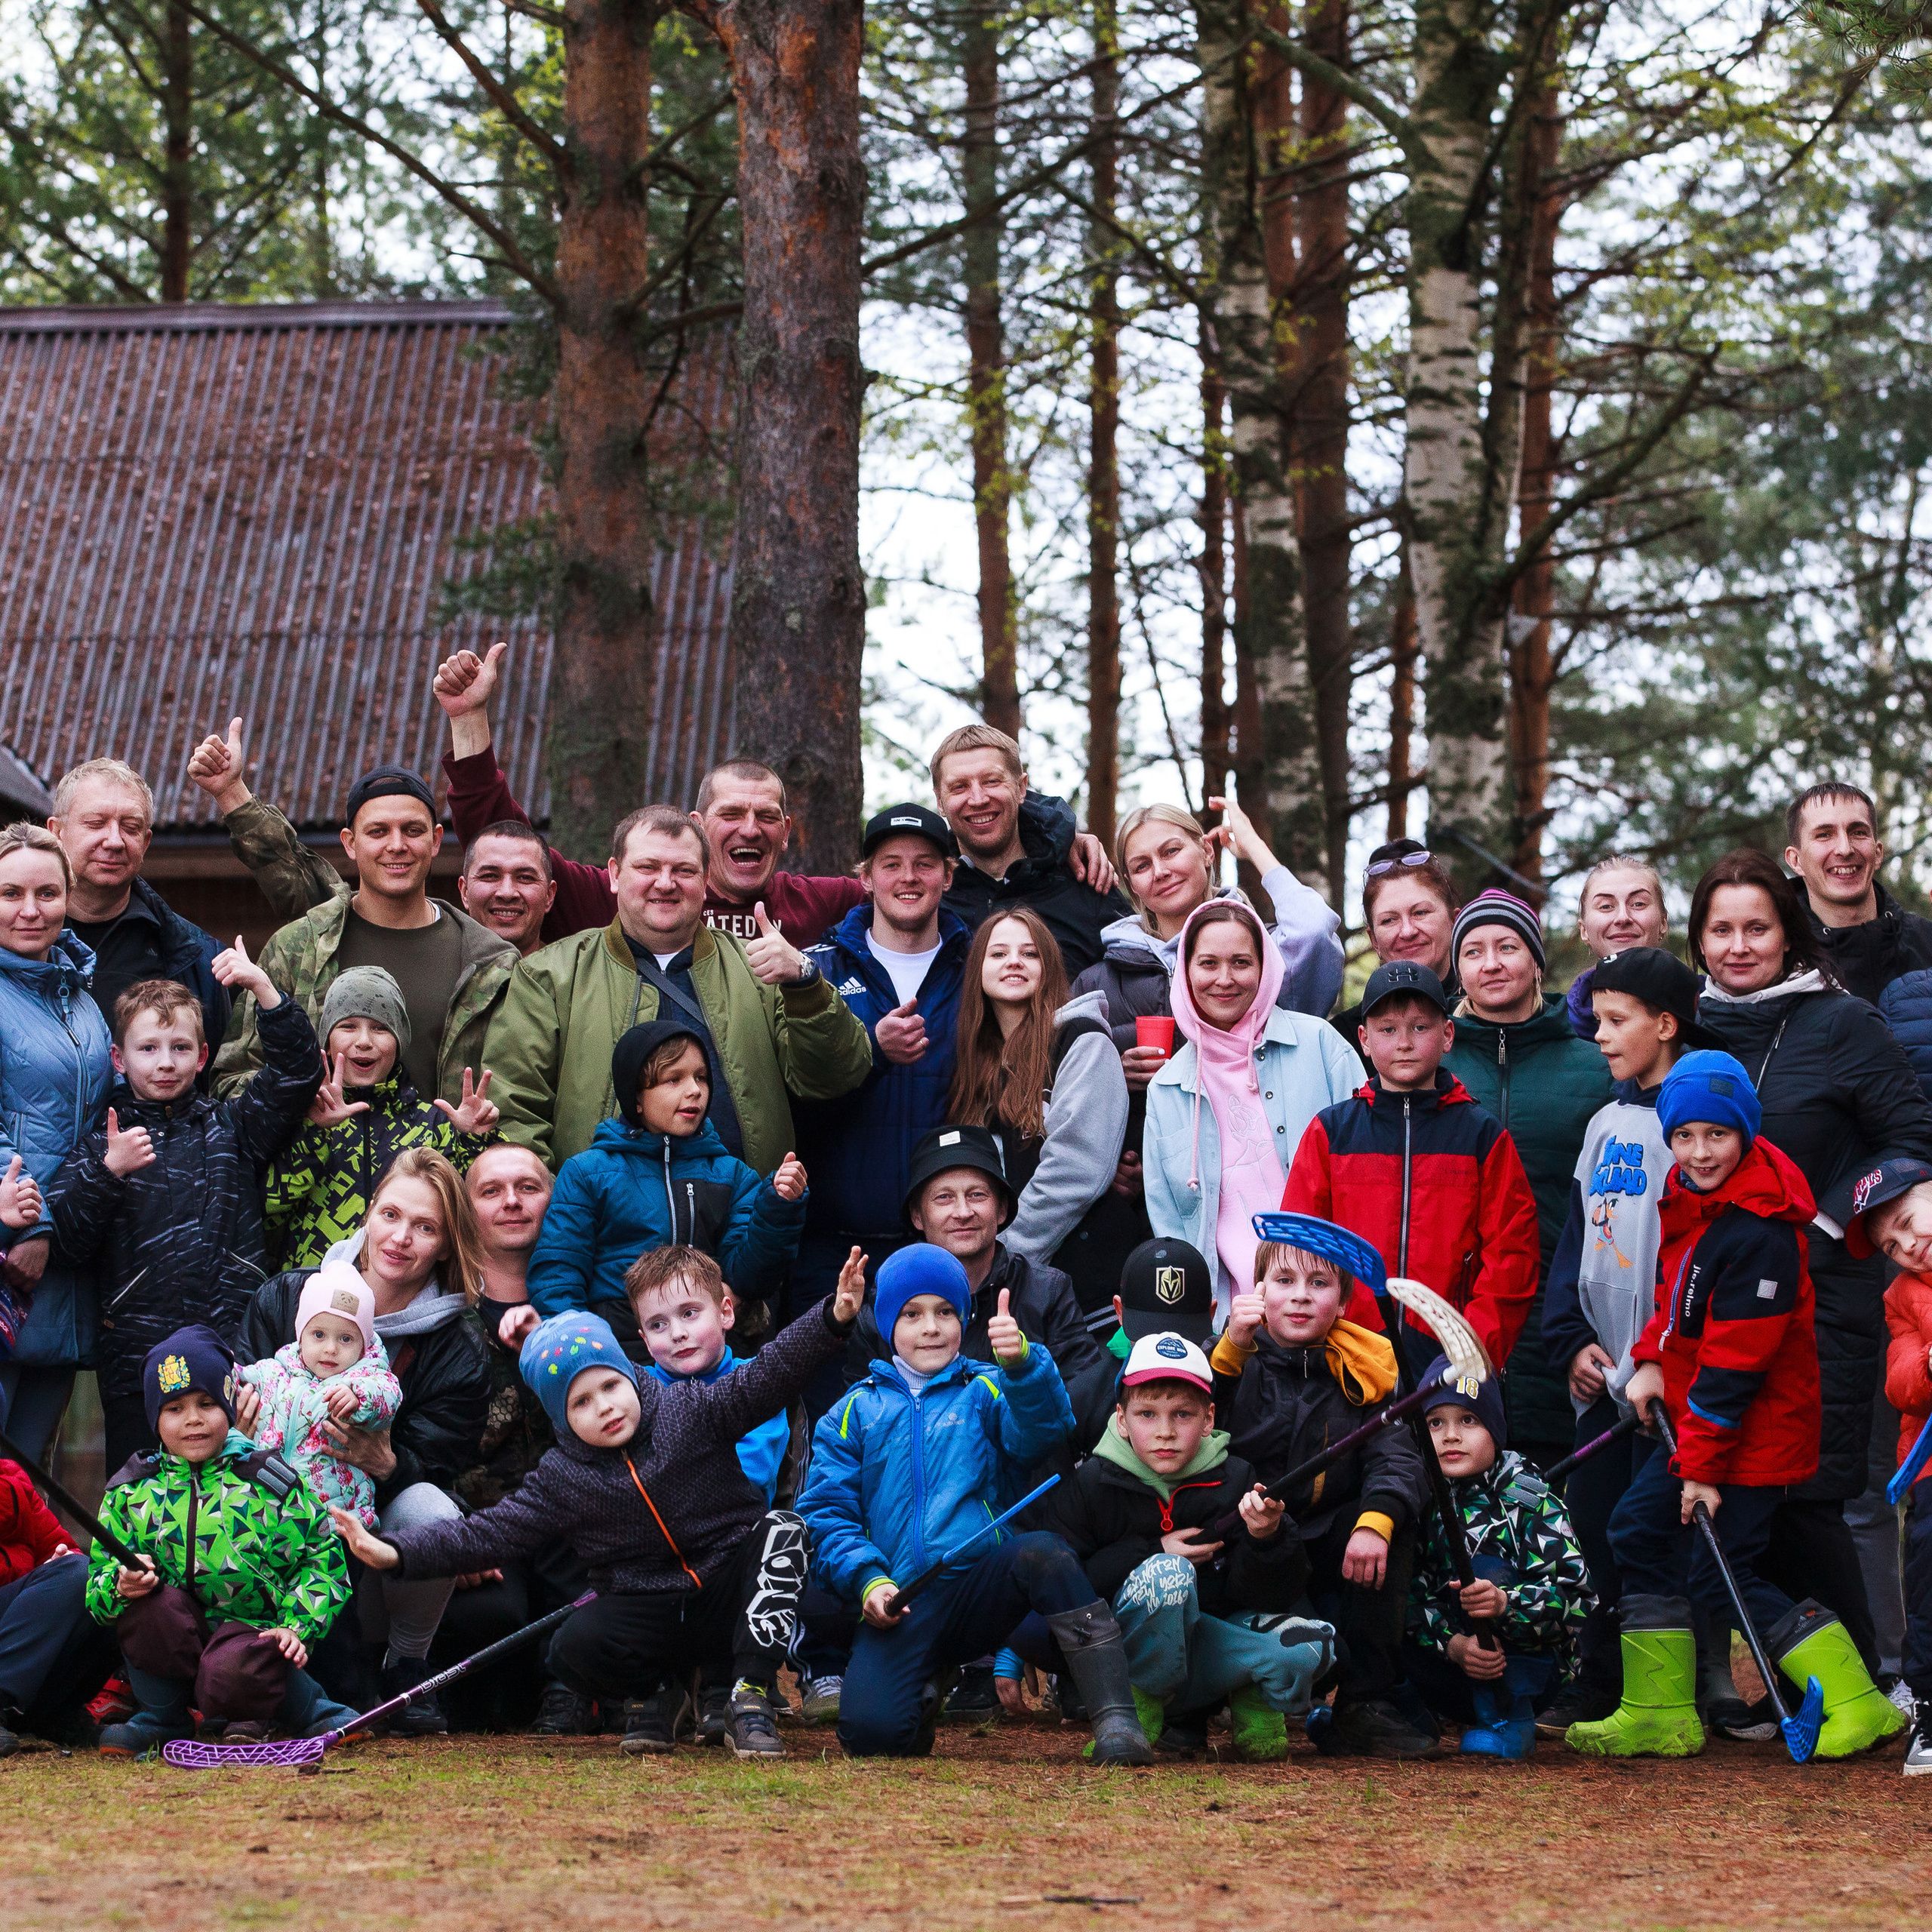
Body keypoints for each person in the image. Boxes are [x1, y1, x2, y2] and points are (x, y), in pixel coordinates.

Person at [330, 1268, 869, 1761]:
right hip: (649, 1610)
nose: (606, 1407)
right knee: (571, 1647)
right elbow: (484, 1535)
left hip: (726, 1595)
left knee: (784, 1529)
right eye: (581, 1402)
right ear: (561, 1420)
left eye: (610, 1385)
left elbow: (770, 1374)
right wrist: (395, 1552)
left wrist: (833, 1317)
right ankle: (655, 1693)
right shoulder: (562, 1478)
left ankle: (748, 1694)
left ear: (630, 1376)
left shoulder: (693, 1410)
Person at [1568, 1052, 1906, 1761]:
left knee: (1722, 1572)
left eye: (1716, 1136)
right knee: (1636, 1530)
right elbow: (1678, 1301)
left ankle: (1858, 1701)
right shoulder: (1690, 1195)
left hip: (1749, 1437)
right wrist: (1655, 1359)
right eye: (1684, 1135)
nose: (1699, 1151)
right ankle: (1658, 1712)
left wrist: (1701, 1471)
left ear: (1745, 1134)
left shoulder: (1760, 1230)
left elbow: (1735, 1366)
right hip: (1698, 1426)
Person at [1688, 848, 1932, 1684]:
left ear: (1789, 934)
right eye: (1720, 929)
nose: (1738, 945)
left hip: (1830, 1291)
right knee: (1747, 1489)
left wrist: (1827, 1220)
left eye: (1757, 926)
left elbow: (1910, 1137)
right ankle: (1795, 1684)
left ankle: (1875, 1675)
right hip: (1719, 1303)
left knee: (1823, 1492)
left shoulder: (1841, 1022)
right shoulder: (1691, 1028)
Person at [798, 1244, 1152, 1764]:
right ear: (887, 1323)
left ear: (965, 1319)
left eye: (945, 1312)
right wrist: (869, 1581)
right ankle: (923, 1690)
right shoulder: (851, 1412)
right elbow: (827, 1515)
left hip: (983, 1586)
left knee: (1043, 1553)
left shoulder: (988, 1387)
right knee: (871, 1738)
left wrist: (1025, 1367)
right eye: (912, 1315)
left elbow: (1043, 1431)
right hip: (902, 1600)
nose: (932, 1328)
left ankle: (1117, 1718)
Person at [238, 1148, 492, 1734]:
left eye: (425, 1228)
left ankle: (406, 1666)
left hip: (374, 1531)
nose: (401, 1238)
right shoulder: (287, 1297)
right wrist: (241, 1429)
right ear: (368, 1214)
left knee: (434, 1510)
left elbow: (439, 1466)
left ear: (447, 1244)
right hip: (274, 1508)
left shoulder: (457, 1347)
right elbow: (235, 1388)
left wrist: (388, 1463)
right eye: (391, 1215)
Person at [45, 950, 322, 1473]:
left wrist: (263, 989)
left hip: (233, 1354)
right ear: (119, 1059)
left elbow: (297, 1071)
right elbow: (64, 1241)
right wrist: (109, 1171)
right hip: (139, 1367)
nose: (165, 1062)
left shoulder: (232, 1128)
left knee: (240, 1493)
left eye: (180, 1048)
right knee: (138, 1501)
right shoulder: (103, 1143)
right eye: (148, 1048)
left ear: (203, 1057)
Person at [484, 804, 875, 1171]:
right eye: (648, 867)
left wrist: (806, 983)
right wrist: (560, 1214)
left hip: (744, 1228)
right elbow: (514, 1109)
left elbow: (834, 1077)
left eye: (684, 870)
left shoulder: (761, 971)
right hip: (601, 1234)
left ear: (705, 882)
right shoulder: (549, 977)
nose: (665, 883)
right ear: (616, 875)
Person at [1538, 946, 1715, 1731]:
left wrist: (1659, 1358)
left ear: (1666, 1024)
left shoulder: (1695, 1128)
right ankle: (1598, 1681)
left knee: (1649, 1532)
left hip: (1666, 1376)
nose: (1600, 1036)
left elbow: (1696, 1258)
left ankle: (1662, 1694)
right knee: (1594, 1529)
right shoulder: (1604, 1120)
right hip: (1603, 1377)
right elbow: (1577, 1240)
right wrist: (1571, 1339)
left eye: (1617, 1021)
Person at [1011, 1331, 1333, 1761]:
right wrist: (1151, 1551)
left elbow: (1270, 1596)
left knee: (1314, 1642)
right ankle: (1135, 1710)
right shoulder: (1093, 1482)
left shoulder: (1236, 1479)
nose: (1165, 1432)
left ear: (1209, 1418)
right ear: (1122, 1420)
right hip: (1121, 1659)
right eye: (1147, 1415)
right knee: (1169, 1575)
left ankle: (1253, 1699)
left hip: (1208, 1655)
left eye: (1182, 1415)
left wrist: (1267, 1538)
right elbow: (1067, 1584)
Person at [429, 642, 869, 947]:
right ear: (697, 828)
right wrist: (469, 719)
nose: (750, 829)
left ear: (787, 831)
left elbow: (913, 890)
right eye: (732, 813)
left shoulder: (824, 905)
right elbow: (502, 845)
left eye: (767, 816)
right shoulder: (630, 894)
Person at [1210, 1215, 1434, 1758]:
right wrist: (1231, 1353)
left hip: (1329, 1539)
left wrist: (1376, 1522)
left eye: (1319, 1284)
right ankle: (1207, 1699)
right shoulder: (1232, 1355)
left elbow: (1397, 1457)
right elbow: (1201, 1435)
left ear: (1342, 1298)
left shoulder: (1368, 1364)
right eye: (1284, 1281)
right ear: (1257, 1290)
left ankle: (1362, 1706)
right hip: (1252, 1541)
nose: (1300, 1298)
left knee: (1390, 1524)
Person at [87, 1325, 358, 1758]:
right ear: (153, 1418)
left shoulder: (270, 1484)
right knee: (148, 1612)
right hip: (172, 1643)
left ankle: (309, 1707)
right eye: (174, 1408)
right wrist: (118, 1586)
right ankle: (162, 1716)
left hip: (249, 1644)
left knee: (232, 1666)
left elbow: (321, 1561)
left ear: (229, 1405)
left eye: (207, 1403)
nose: (192, 1419)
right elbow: (96, 1585)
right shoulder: (129, 1493)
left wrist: (296, 1626)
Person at [1282, 959, 1540, 1376]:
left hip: (1451, 1358)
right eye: (1388, 1029)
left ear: (1447, 1035)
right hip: (1349, 1352)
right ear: (1364, 1039)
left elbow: (1512, 1253)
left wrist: (1473, 1349)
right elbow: (1302, 1249)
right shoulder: (1332, 1132)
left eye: (1420, 1027)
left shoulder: (1481, 1135)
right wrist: (1321, 1342)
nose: (1404, 1042)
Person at [210, 760, 517, 1108]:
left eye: (413, 831)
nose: (397, 845)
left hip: (450, 1160)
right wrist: (302, 1102)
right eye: (378, 832)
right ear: (350, 843)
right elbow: (231, 1081)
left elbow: (519, 1090)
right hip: (320, 1160)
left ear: (435, 841)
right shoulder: (298, 948)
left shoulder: (490, 963)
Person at [1442, 889, 1615, 1472]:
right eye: (1474, 951)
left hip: (1564, 1327)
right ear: (1457, 967)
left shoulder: (1594, 1065)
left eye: (1508, 947)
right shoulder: (1432, 1065)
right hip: (1455, 1323)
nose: (1491, 963)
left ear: (1536, 962)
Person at [789, 805, 972, 1348]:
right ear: (865, 878)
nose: (909, 878)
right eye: (891, 864)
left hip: (944, 1247)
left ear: (948, 874)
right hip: (830, 1246)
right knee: (833, 1421)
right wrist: (870, 1052)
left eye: (925, 864)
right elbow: (791, 1096)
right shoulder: (816, 971)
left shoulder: (980, 965)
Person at [525, 1021, 808, 1351]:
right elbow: (559, 1273)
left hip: (707, 1352)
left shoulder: (734, 1176)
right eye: (674, 1079)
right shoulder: (587, 1173)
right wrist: (581, 1350)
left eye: (701, 1077)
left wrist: (778, 1208)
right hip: (617, 1351)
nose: (694, 1091)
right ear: (637, 1099)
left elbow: (752, 1276)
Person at [1144, 902, 1364, 1321]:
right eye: (1208, 964)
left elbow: (1370, 1173)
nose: (1224, 980)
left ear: (1265, 968)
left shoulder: (1320, 1045)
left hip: (1332, 1309)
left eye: (1241, 963)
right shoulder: (1167, 1088)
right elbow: (1170, 1224)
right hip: (1231, 1323)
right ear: (1186, 971)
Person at [627, 1244, 795, 1745]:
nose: (676, 1333)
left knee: (772, 1539)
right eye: (658, 1324)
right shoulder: (633, 1393)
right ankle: (658, 1685)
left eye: (689, 1313)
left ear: (725, 1311)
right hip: (657, 1554)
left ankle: (734, 1687)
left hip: (728, 1545)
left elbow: (750, 1474)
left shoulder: (756, 1384)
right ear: (642, 1337)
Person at [947, 908, 1136, 1316]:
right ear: (977, 970)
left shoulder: (1083, 1041)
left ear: (1048, 968)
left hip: (1088, 1297)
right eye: (998, 954)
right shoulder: (976, 1065)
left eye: (1029, 953)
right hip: (1009, 1298)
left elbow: (1076, 1168)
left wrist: (1002, 1258)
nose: (1014, 961)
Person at [1404, 1357, 1592, 1760]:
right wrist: (1454, 1645)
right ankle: (1401, 1716)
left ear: (1496, 1428)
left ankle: (1509, 1721)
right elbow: (1410, 1596)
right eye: (1435, 1423)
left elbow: (1577, 1600)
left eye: (1468, 1421)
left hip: (1526, 1667)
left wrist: (1506, 1603)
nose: (1451, 1436)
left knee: (1485, 1570)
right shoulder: (1417, 1497)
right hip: (1451, 1659)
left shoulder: (1528, 1498)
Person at [0, 823, 115, 1463]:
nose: (29, 910)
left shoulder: (80, 1000)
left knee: (25, 1482)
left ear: (69, 897)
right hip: (13, 1258)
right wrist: (33, 1224)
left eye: (46, 893)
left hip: (65, 1272)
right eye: (10, 893)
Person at [263, 965, 501, 1268]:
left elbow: (475, 1210)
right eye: (348, 1026)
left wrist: (476, 1139)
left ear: (399, 1042)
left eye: (380, 1028)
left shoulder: (433, 1125)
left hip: (407, 1292)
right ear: (327, 1039)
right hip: (313, 1290)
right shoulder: (297, 1115)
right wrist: (313, 1132)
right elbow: (269, 1209)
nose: (364, 1041)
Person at [1073, 798, 1345, 1055]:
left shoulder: (1265, 953)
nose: (1160, 872)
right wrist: (1115, 1073)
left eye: (1171, 851)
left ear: (1206, 851)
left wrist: (1253, 846)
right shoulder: (1098, 982)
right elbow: (1061, 1072)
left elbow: (1315, 928)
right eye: (1142, 866)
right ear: (1131, 884)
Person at [1840, 1158, 1932, 1772]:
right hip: (1928, 1467)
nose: (1905, 1248)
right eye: (1890, 1246)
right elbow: (1901, 1383)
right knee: (1926, 1572)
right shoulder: (1902, 1297)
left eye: (1906, 1223)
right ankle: (1928, 1704)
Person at [48, 757, 230, 1059]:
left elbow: (222, 1082)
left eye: (130, 827)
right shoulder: (16, 939)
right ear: (56, 832)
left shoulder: (200, 959)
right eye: (95, 824)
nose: (114, 841)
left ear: (146, 842)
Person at [929, 724, 1129, 977]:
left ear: (1021, 788)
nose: (978, 799)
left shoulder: (1084, 881)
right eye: (959, 787)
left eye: (992, 781)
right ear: (940, 802)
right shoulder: (929, 893)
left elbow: (1140, 980)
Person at [239, 1265, 404, 1530]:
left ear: (363, 1345)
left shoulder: (366, 1377)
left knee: (323, 1571)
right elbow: (238, 1378)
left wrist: (358, 1397)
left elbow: (387, 1395)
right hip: (269, 1510)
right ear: (300, 1335)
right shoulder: (276, 1371)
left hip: (334, 1518)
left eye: (346, 1338)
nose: (331, 1348)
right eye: (318, 1335)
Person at [0, 1456, 114, 1755]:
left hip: (17, 1642)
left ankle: (53, 1714)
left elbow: (67, 1554)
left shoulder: (12, 1479)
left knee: (102, 1586)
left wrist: (55, 1566)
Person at [1785, 781, 1932, 1008]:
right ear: (1796, 860)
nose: (1845, 849)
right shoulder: (1778, 957)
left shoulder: (1926, 941)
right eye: (1824, 835)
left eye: (1858, 832)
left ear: (1878, 853)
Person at [1331, 840, 1460, 1041]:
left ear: (1454, 921)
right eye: (1389, 920)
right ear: (1373, 939)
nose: (1408, 932)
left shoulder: (1490, 1015)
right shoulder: (1344, 1038)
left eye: (1421, 912)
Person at [1564, 855, 1670, 1040]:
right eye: (1606, 906)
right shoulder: (1559, 1029)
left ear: (1663, 923)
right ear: (1584, 930)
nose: (1623, 918)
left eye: (1638, 904)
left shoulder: (1705, 1010)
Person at [455, 820, 559, 958]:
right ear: (465, 892)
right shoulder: (437, 974)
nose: (507, 893)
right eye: (490, 876)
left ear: (549, 895)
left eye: (525, 878)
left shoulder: (574, 977)